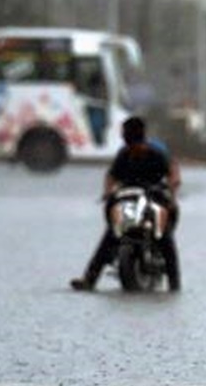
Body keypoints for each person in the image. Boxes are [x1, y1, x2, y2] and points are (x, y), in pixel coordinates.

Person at [70, 116, 181, 291]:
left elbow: (173, 172)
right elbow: (111, 175)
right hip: (128, 197)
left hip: (154, 197)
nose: (133, 149)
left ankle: (175, 284)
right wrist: (108, 192)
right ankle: (90, 279)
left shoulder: (156, 154)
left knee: (165, 237)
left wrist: (172, 191)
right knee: (111, 234)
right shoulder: (123, 154)